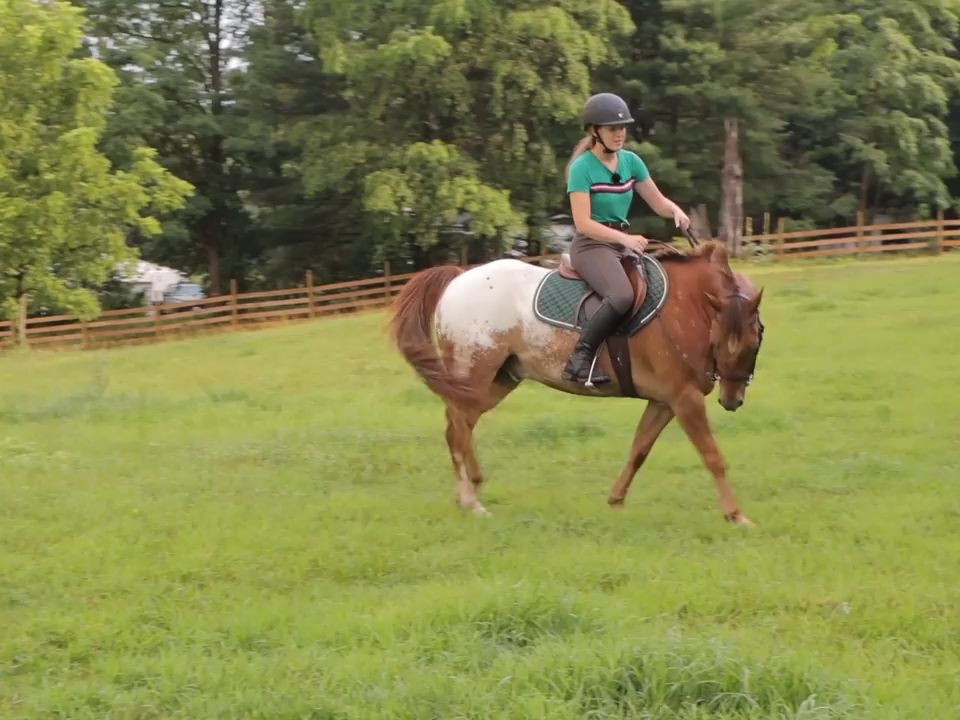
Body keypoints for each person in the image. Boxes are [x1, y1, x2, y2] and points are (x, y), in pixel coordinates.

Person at [562, 92, 692, 385]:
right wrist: (625, 240)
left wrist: (675, 211)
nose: (620, 134)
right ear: (595, 131)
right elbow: (583, 224)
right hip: (592, 245)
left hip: (621, 245)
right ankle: (580, 359)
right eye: (612, 129)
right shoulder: (581, 169)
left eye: (623, 128)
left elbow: (658, 202)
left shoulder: (631, 162)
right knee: (621, 295)